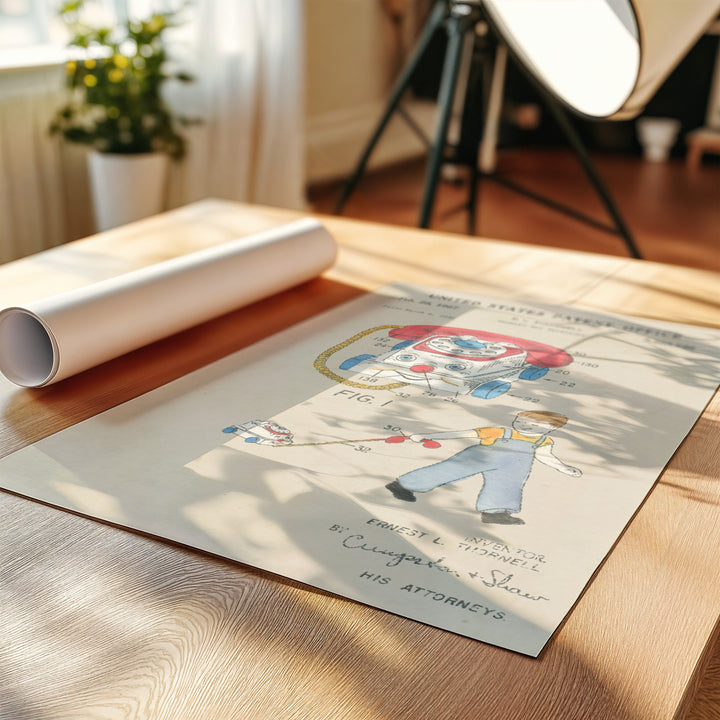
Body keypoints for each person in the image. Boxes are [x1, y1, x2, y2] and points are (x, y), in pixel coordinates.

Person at [385, 410, 582, 524]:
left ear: (552, 428)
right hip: (481, 456)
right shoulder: (499, 431)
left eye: (534, 426)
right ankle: (402, 486)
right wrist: (427, 436)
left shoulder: (543, 441)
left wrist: (564, 468)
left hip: (513, 467)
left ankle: (495, 513)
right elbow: (463, 433)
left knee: (508, 486)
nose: (525, 426)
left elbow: (546, 457)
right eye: (522, 422)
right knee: (448, 471)